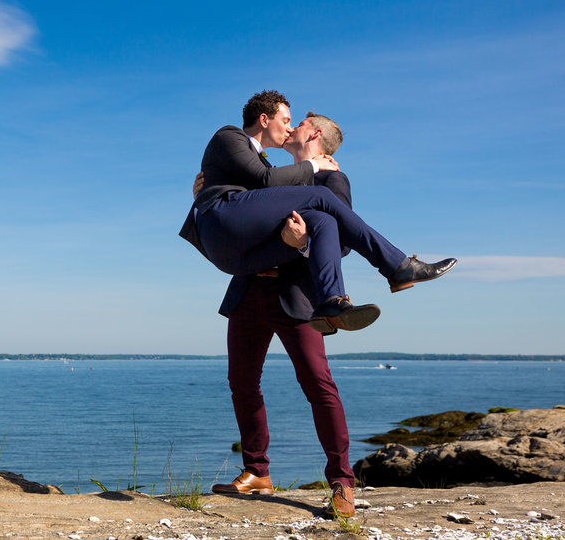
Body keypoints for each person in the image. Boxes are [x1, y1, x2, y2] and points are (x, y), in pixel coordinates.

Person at [178, 90, 456, 332]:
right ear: (264, 120)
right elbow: (264, 182)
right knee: (320, 196)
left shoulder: (270, 167)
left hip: (241, 258)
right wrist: (314, 166)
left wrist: (302, 242)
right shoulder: (230, 136)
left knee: (322, 220)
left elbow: (266, 189)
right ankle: (397, 266)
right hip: (223, 224)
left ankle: (331, 302)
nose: (289, 128)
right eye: (286, 121)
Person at [195, 110, 358, 516]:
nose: (292, 125)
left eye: (301, 120)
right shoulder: (268, 175)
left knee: (318, 384)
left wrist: (302, 243)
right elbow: (236, 219)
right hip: (249, 289)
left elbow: (340, 246)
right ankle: (257, 473)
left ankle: (341, 483)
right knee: (242, 383)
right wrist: (203, 193)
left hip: (295, 296)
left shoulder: (332, 179)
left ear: (315, 133)